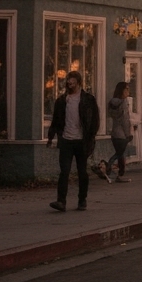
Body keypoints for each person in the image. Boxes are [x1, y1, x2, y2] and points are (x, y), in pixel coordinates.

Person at [46, 71, 100, 212]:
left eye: (73, 82)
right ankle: (61, 201)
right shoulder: (62, 101)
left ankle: (82, 200)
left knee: (82, 172)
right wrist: (51, 137)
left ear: (78, 82)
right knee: (64, 171)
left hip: (81, 141)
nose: (70, 84)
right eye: (68, 82)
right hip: (66, 140)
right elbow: (56, 121)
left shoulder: (88, 100)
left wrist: (91, 137)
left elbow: (95, 120)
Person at [104, 82, 133, 183]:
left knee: (120, 154)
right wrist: (128, 134)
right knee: (120, 154)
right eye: (127, 89)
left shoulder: (111, 103)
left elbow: (110, 116)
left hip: (114, 132)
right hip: (122, 134)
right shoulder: (123, 103)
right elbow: (125, 120)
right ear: (122, 90)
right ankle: (109, 166)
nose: (128, 92)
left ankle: (119, 175)